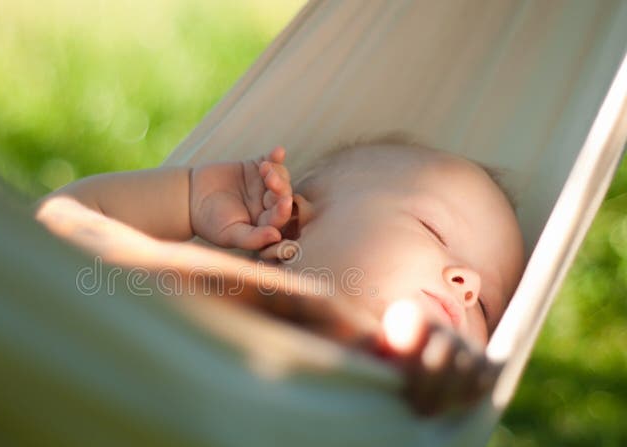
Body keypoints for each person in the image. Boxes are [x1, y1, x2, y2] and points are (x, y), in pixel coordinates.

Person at [35, 137, 525, 414]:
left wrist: (437, 370)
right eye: (433, 230)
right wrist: (185, 197)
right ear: (293, 224)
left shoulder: (407, 413)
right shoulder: (209, 298)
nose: (470, 285)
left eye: (486, 309)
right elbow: (50, 238)